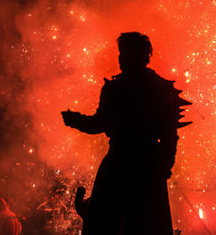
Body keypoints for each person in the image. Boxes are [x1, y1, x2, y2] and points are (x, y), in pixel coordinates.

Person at [62, 32, 191, 235]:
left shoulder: (116, 88)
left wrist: (75, 120)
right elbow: (170, 136)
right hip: (148, 167)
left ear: (137, 56)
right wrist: (163, 167)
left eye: (125, 53)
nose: (121, 58)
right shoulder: (159, 89)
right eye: (121, 53)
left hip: (120, 164)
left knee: (103, 225)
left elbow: (99, 124)